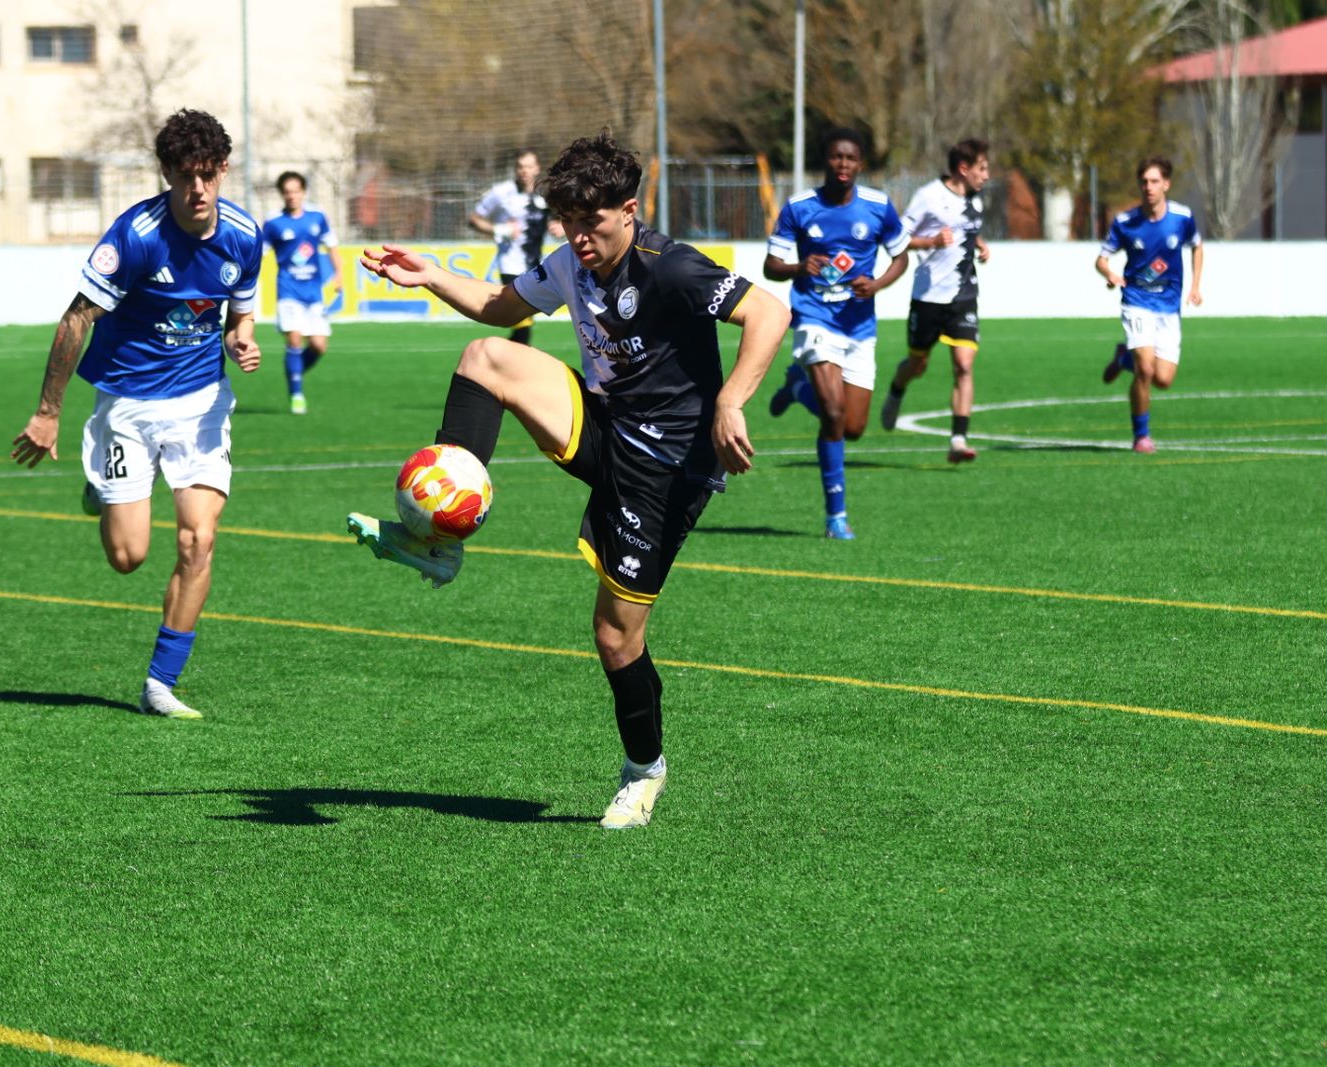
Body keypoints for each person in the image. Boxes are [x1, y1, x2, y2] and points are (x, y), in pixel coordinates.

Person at [350, 132, 789, 829]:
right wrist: (430, 273)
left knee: (616, 637)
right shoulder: (569, 264)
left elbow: (769, 311)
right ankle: (440, 537)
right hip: (605, 423)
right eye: (569, 222)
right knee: (486, 355)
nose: (579, 237)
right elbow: (502, 305)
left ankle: (644, 769)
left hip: (668, 468)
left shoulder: (669, 267)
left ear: (629, 210)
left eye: (593, 222)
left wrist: (730, 400)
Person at [10, 108, 262, 719]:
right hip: (127, 403)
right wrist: (48, 413)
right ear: (167, 173)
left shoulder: (244, 235)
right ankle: (101, 490)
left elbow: (240, 314)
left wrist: (240, 340)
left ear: (223, 170)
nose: (197, 189)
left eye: (207, 175)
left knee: (198, 540)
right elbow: (76, 319)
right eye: (184, 176)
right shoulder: (135, 236)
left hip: (201, 403)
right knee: (128, 559)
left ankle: (160, 684)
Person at [764, 127, 910, 540]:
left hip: (859, 325)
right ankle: (836, 517)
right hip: (813, 317)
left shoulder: (879, 207)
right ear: (825, 161)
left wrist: (877, 284)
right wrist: (798, 267)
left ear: (860, 164)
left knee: (854, 427)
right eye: (835, 157)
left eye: (850, 158)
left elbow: (901, 257)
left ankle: (796, 389)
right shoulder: (799, 207)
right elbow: (771, 265)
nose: (842, 165)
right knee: (831, 415)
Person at [878, 138, 992, 463]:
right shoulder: (928, 196)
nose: (986, 175)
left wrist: (980, 244)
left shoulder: (977, 200)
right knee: (918, 364)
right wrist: (930, 241)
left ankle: (958, 439)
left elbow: (964, 229)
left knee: (964, 365)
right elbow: (897, 238)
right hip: (928, 298)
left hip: (964, 296)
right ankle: (897, 389)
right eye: (982, 168)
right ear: (963, 168)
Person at [1095, 156, 1204, 453]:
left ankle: (1122, 358)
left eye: (1155, 181)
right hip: (1137, 301)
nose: (1149, 187)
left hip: (1168, 306)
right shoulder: (1125, 222)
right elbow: (1101, 259)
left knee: (1163, 380)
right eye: (1144, 181)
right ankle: (1141, 436)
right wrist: (1110, 274)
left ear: (1166, 184)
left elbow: (1197, 246)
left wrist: (1194, 286)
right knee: (1145, 369)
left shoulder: (1182, 218)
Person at [265, 170, 339, 415]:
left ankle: (293, 371)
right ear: (282, 194)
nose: (291, 196)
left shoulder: (317, 217)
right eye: (287, 192)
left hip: (313, 292)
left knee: (319, 346)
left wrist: (339, 274)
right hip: (288, 290)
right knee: (294, 338)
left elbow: (332, 246)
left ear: (303, 192)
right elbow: (259, 253)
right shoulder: (273, 223)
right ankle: (296, 394)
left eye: (295, 191)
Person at [468, 148, 554, 347]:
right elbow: (473, 219)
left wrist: (558, 225)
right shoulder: (501, 192)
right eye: (520, 167)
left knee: (524, 323)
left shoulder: (545, 193)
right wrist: (499, 229)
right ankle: (498, 355)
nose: (524, 171)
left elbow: (558, 218)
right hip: (510, 265)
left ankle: (504, 357)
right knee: (522, 322)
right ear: (515, 169)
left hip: (535, 264)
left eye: (529, 166)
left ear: (537, 169)